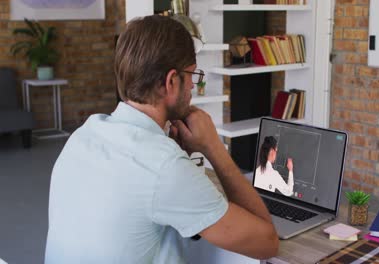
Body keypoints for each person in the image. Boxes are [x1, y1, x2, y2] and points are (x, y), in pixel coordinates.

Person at [45, 15, 278, 264]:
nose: (192, 87)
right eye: (192, 75)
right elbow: (267, 243)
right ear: (171, 82)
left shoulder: (83, 134)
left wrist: (175, 158)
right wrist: (213, 147)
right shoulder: (164, 167)